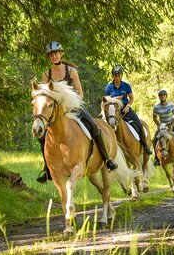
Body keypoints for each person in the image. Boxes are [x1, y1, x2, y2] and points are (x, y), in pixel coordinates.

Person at [36, 41, 118, 183]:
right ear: (49, 57)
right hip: (55, 112)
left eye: (56, 54)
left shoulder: (71, 71)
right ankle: (47, 168)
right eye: (51, 55)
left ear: (61, 54)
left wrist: (69, 107)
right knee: (42, 136)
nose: (54, 57)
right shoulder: (46, 74)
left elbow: (80, 94)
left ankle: (107, 159)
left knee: (93, 126)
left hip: (73, 106)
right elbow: (44, 97)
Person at [104, 65, 153, 155]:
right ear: (113, 76)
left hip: (125, 108)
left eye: (118, 75)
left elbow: (131, 98)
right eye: (115, 75)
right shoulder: (109, 87)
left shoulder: (126, 86)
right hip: (113, 110)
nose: (117, 77)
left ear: (121, 75)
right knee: (104, 126)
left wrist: (128, 106)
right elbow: (106, 101)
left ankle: (145, 145)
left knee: (138, 123)